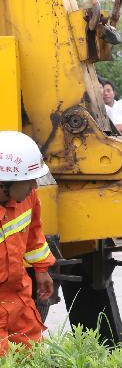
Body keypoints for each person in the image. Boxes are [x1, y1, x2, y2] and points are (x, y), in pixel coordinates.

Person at [0, 132, 55, 356]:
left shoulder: (27, 197)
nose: (34, 186)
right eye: (29, 180)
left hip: (18, 297)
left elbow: (33, 232)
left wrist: (42, 270)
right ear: (4, 185)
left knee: (34, 360)